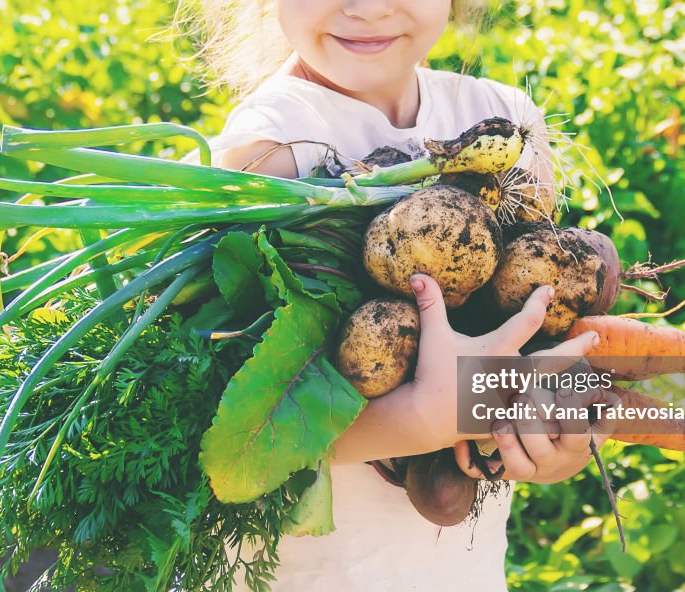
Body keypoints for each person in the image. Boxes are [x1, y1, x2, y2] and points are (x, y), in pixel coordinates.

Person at [177, 1, 619, 589]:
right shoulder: (271, 148)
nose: (367, 7)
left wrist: (551, 439)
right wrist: (418, 420)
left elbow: (539, 326)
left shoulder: (505, 121)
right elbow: (233, 432)